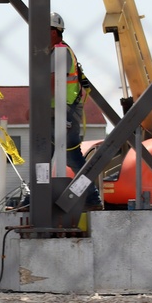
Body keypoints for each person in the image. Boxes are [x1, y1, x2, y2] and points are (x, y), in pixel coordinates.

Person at [50, 12, 103, 209]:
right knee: (45, 156)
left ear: (54, 32)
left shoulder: (60, 52)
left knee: (73, 158)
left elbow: (53, 83)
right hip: (58, 110)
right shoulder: (58, 51)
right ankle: (33, 198)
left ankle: (92, 198)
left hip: (65, 111)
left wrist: (37, 106)